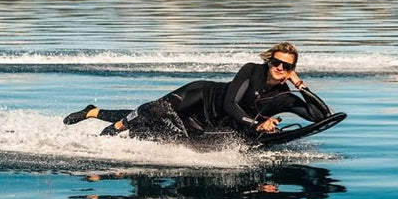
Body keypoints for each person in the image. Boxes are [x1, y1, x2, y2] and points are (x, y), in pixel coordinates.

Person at [63, 42, 332, 140]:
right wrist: (256, 125)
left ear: (292, 69)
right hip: (199, 96)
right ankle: (114, 123)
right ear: (268, 61)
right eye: (276, 62)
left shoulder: (285, 94)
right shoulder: (252, 70)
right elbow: (231, 104)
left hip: (205, 123)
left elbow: (323, 117)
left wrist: (300, 84)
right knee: (155, 111)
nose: (280, 68)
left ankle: (93, 112)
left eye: (287, 66)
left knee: (154, 129)